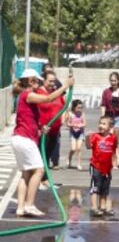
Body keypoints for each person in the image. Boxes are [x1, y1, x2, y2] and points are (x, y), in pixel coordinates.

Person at [11, 69, 74, 217]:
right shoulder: (29, 95)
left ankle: (21, 207)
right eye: (37, 81)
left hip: (19, 138)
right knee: (39, 171)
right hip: (25, 139)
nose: (39, 84)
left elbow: (28, 117)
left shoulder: (24, 96)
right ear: (31, 81)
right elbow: (48, 99)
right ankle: (30, 205)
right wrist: (65, 86)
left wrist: (40, 127)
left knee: (26, 173)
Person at [85, 116, 117, 217]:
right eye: (100, 123)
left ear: (110, 126)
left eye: (104, 124)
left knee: (105, 188)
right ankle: (94, 207)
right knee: (95, 187)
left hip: (107, 168)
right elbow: (88, 146)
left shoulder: (113, 138)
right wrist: (86, 138)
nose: (100, 125)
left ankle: (102, 207)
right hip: (96, 166)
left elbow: (113, 151)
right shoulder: (95, 136)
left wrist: (115, 162)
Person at [36, 71, 65, 170]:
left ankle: (44, 179)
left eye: (54, 81)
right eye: (50, 81)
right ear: (43, 80)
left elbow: (63, 106)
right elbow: (35, 111)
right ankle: (40, 180)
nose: (52, 84)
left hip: (54, 131)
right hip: (43, 131)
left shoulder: (55, 93)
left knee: (47, 156)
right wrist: (40, 126)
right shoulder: (39, 93)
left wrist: (64, 116)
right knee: (41, 158)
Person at [100, 72, 119, 169]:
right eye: (111, 80)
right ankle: (114, 160)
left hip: (118, 117)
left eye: (114, 80)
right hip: (108, 117)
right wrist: (102, 118)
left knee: (115, 140)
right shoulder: (106, 92)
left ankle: (116, 159)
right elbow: (103, 105)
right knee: (110, 139)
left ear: (118, 81)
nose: (113, 82)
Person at [66, 99, 86, 170]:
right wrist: (72, 124)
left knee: (79, 148)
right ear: (74, 107)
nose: (79, 109)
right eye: (78, 108)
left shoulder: (82, 114)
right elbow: (67, 123)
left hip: (80, 133)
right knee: (73, 148)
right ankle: (69, 158)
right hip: (73, 133)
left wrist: (81, 125)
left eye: (81, 108)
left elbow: (85, 123)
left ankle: (79, 164)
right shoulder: (70, 114)